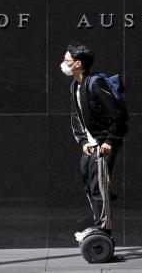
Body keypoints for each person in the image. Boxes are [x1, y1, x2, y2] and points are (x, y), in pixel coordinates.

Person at [60, 43, 128, 239]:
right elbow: (76, 116)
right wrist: (83, 141)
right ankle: (99, 223)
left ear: (78, 64)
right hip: (90, 144)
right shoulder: (75, 86)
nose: (63, 64)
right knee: (88, 182)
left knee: (99, 185)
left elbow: (119, 115)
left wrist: (110, 140)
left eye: (67, 61)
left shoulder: (95, 83)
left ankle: (103, 229)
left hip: (103, 144)